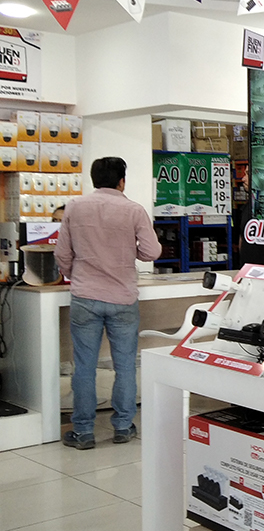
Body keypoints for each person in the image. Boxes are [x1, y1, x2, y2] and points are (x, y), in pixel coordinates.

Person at [54, 157, 161, 450]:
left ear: (93, 180)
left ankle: (83, 432)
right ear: (122, 181)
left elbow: (62, 253)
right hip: (123, 298)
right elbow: (152, 252)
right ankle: (123, 427)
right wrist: (128, 252)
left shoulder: (74, 207)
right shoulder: (134, 210)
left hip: (85, 297)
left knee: (84, 367)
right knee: (125, 365)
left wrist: (76, 274)